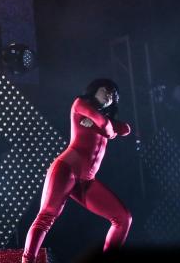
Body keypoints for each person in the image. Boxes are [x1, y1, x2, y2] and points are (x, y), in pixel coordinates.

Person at [21, 79, 133, 263]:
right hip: (65, 169)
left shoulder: (103, 117)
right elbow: (106, 127)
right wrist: (107, 126)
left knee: (123, 218)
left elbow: (126, 129)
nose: (110, 95)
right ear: (94, 90)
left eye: (114, 94)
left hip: (86, 180)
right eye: (106, 90)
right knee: (46, 217)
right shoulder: (79, 104)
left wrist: (106, 125)